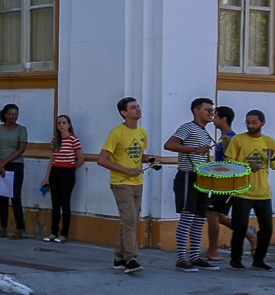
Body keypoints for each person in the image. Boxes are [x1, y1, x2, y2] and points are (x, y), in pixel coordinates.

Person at [97, 96, 156, 274]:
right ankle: (131, 258)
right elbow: (102, 159)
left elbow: (139, 155)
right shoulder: (117, 132)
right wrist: (125, 170)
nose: (138, 110)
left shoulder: (142, 133)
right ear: (124, 113)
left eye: (138, 107)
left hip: (138, 182)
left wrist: (149, 159)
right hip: (121, 183)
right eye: (133, 108)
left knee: (129, 220)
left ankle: (119, 257)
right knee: (130, 219)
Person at [164, 98, 217, 271]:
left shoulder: (205, 132)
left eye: (212, 110)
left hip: (201, 176)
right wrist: (194, 150)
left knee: (200, 218)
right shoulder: (188, 127)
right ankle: (181, 257)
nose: (211, 113)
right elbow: (169, 144)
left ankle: (194, 256)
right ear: (196, 111)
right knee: (187, 217)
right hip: (188, 175)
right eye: (207, 110)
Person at [224, 110, 275, 270]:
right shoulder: (238, 139)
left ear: (262, 123)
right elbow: (229, 162)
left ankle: (259, 259)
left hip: (263, 192)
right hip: (241, 191)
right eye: (247, 122)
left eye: (254, 123)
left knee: (267, 228)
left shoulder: (269, 141)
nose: (250, 125)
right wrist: (247, 166)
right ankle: (235, 259)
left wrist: (273, 156)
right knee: (240, 226)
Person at [204, 106, 255, 262]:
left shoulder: (229, 139)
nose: (213, 119)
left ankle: (213, 251)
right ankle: (251, 236)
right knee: (217, 215)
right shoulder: (224, 137)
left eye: (216, 117)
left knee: (212, 214)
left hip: (226, 182)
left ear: (223, 119)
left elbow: (229, 163)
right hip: (220, 181)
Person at [40, 115, 83, 243]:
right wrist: (47, 177)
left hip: (67, 172)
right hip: (55, 172)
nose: (61, 125)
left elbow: (80, 159)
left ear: (69, 125)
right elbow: (52, 158)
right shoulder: (55, 140)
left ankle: (64, 234)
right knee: (55, 204)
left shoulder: (74, 140)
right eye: (59, 123)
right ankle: (53, 232)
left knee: (65, 203)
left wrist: (70, 170)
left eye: (64, 123)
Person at [0, 103, 28, 239]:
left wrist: (4, 163)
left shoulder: (22, 130)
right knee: (2, 197)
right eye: (11, 114)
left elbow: (21, 149)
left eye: (15, 114)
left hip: (15, 165)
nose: (13, 117)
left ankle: (19, 228)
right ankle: (3, 227)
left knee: (16, 197)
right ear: (5, 114)